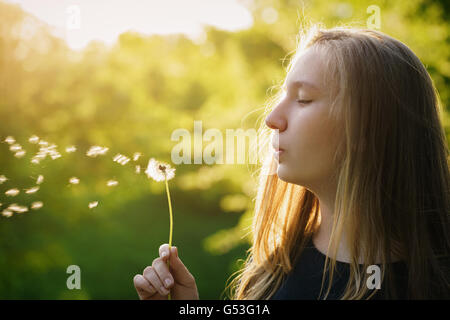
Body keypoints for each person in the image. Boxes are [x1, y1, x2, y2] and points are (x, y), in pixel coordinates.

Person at [133, 25, 450, 300]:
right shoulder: (273, 271)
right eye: (281, 96)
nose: (272, 119)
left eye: (303, 99)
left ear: (369, 127)